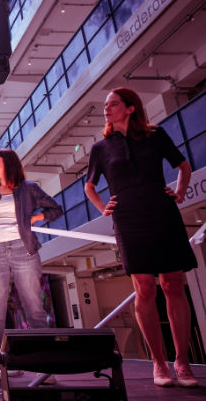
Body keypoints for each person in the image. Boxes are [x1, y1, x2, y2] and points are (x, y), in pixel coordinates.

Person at [84, 87, 198, 388]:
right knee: (145, 288)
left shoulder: (155, 135)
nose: (107, 109)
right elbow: (90, 186)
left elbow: (183, 166)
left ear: (131, 108)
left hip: (162, 212)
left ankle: (182, 363)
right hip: (129, 219)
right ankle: (158, 363)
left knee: (173, 284)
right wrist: (102, 208)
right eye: (106, 105)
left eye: (114, 104)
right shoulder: (101, 148)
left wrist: (181, 191)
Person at [0, 149, 62, 381]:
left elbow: (55, 208)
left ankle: (46, 363)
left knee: (34, 307)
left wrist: (35, 218)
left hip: (24, 249)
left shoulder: (29, 188)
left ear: (8, 164)